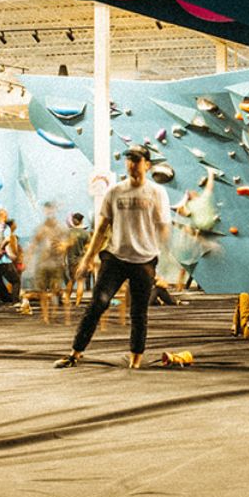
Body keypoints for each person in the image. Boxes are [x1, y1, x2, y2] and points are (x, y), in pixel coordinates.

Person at [56, 147, 170, 369]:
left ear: (147, 164)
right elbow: (101, 228)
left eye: (136, 160)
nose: (131, 164)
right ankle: (75, 353)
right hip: (115, 257)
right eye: (128, 159)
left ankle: (135, 359)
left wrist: (161, 265)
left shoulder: (157, 193)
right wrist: (88, 257)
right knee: (97, 304)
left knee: (138, 311)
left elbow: (163, 228)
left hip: (145, 260)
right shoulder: (114, 192)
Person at [26, 204, 71, 324]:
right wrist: (28, 259)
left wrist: (63, 246)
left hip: (56, 264)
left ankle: (54, 313)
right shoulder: (41, 229)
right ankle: (46, 317)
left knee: (56, 290)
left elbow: (68, 242)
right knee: (43, 292)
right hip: (43, 264)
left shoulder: (60, 228)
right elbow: (34, 244)